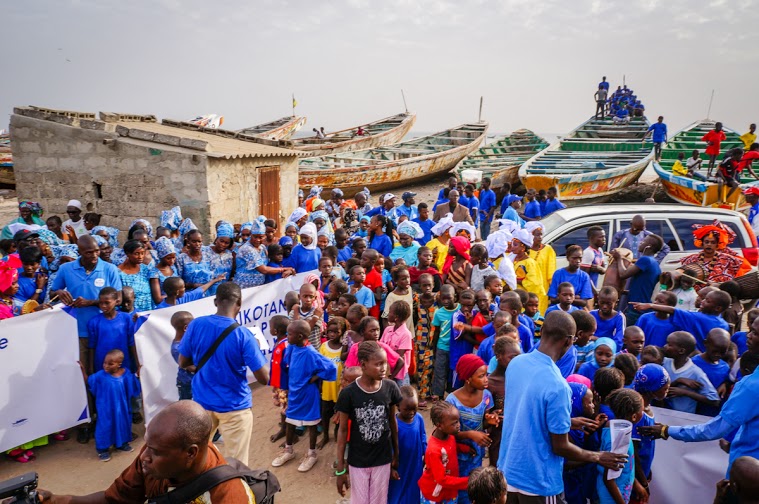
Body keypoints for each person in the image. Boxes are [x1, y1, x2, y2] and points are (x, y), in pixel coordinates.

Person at [498, 311, 627, 502]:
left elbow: (524, 411)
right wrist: (598, 456)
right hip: (538, 482)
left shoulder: (517, 363)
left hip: (507, 471)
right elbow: (560, 447)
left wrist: (568, 422)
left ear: (541, 331)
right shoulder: (558, 386)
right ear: (569, 341)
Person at [38, 400, 257, 502]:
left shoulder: (230, 497)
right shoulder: (152, 461)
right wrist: (54, 500)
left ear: (190, 453)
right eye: (147, 446)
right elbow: (113, 500)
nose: (143, 456)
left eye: (155, 451)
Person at [178, 282, 270, 466]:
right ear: (240, 304)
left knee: (200, 458)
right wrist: (256, 350)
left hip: (202, 403)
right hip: (235, 406)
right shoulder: (244, 336)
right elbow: (264, 378)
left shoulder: (196, 325)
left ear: (215, 301)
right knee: (236, 463)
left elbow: (183, 362)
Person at [638, 351, 759, 479]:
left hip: (748, 474)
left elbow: (713, 430)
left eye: (754, 332)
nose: (749, 336)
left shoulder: (751, 385)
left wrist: (666, 430)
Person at [335, 340, 402, 504]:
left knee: (379, 500)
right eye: (378, 364)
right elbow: (342, 431)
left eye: (385, 363)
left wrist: (396, 453)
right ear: (363, 365)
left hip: (383, 458)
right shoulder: (348, 394)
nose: (384, 368)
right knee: (360, 500)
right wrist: (340, 469)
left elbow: (392, 422)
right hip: (358, 460)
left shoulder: (390, 387)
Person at [272, 319, 337, 472]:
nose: (287, 336)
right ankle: (288, 451)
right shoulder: (292, 348)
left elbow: (330, 367)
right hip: (294, 392)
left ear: (300, 336)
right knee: (290, 420)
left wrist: (313, 378)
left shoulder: (310, 353)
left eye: (290, 334)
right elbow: (287, 364)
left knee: (311, 423)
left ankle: (312, 454)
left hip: (308, 393)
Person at [446, 354, 499, 504]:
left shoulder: (486, 396)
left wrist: (489, 420)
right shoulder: (452, 400)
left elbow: (482, 423)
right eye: (481, 376)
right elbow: (447, 432)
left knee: (473, 487)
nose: (486, 379)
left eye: (486, 375)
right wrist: (470, 434)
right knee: (457, 488)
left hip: (477, 453)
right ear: (468, 378)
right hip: (456, 453)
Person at [632, 289, 731, 352]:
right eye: (704, 299)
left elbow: (674, 311)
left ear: (718, 308)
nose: (702, 301)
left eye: (707, 301)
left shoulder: (698, 318)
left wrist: (650, 305)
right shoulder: (724, 324)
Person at [87, 349, 141, 462]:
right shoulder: (100, 376)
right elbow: (89, 381)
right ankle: (102, 449)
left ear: (119, 364)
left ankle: (121, 443)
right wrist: (82, 369)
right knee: (105, 426)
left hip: (121, 407)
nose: (106, 366)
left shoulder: (125, 374)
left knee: (122, 424)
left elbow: (132, 382)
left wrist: (137, 374)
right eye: (104, 363)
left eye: (110, 364)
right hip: (105, 408)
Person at [596, 389, 644, 504]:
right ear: (634, 416)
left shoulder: (611, 425)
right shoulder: (621, 438)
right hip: (610, 499)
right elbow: (608, 479)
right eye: (642, 410)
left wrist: (636, 484)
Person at [418, 401, 470, 504]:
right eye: (454, 423)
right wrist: (468, 481)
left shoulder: (449, 435)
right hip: (435, 495)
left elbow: (449, 447)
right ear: (439, 425)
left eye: (458, 421)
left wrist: (464, 448)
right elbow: (441, 479)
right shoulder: (433, 450)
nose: (458, 425)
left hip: (449, 492)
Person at [659, 331, 721, 414]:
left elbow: (714, 400)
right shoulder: (664, 363)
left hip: (683, 418)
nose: (665, 346)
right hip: (662, 412)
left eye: (669, 344)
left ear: (681, 351)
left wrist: (686, 393)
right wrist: (679, 380)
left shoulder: (696, 372)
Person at [87, 287, 139, 378]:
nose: (103, 306)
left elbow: (131, 343)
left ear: (116, 301)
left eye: (107, 303)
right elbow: (92, 347)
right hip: (102, 364)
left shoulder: (126, 319)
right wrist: (91, 368)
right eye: (101, 303)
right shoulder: (94, 322)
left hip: (123, 363)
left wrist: (138, 363)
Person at [387, 386, 427, 504]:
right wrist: (391, 468)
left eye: (414, 408)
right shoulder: (393, 424)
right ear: (398, 406)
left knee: (413, 492)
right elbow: (389, 447)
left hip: (415, 465)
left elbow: (423, 438)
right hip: (400, 466)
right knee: (397, 494)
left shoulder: (419, 419)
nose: (411, 413)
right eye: (407, 409)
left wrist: (427, 454)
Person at [612, 233, 663, 325]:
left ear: (648, 246)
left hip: (636, 308)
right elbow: (643, 286)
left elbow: (623, 274)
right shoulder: (655, 263)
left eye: (643, 241)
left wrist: (619, 258)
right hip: (643, 307)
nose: (640, 243)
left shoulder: (645, 260)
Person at [692, 328, 731, 416]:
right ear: (705, 343)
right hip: (695, 412)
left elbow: (728, 381)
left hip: (715, 413)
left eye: (722, 352)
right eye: (715, 351)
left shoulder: (725, 367)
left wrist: (725, 384)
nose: (718, 354)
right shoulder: (694, 363)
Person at [117, 239, 155, 312]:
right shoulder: (119, 273)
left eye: (142, 253)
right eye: (136, 253)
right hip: (130, 314)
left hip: (147, 312)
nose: (140, 256)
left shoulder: (146, 269)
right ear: (128, 254)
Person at [169, 311, 194, 400]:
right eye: (193, 325)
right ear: (186, 328)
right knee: (188, 408)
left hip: (193, 382)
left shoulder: (188, 340)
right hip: (187, 384)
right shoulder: (176, 348)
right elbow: (191, 367)